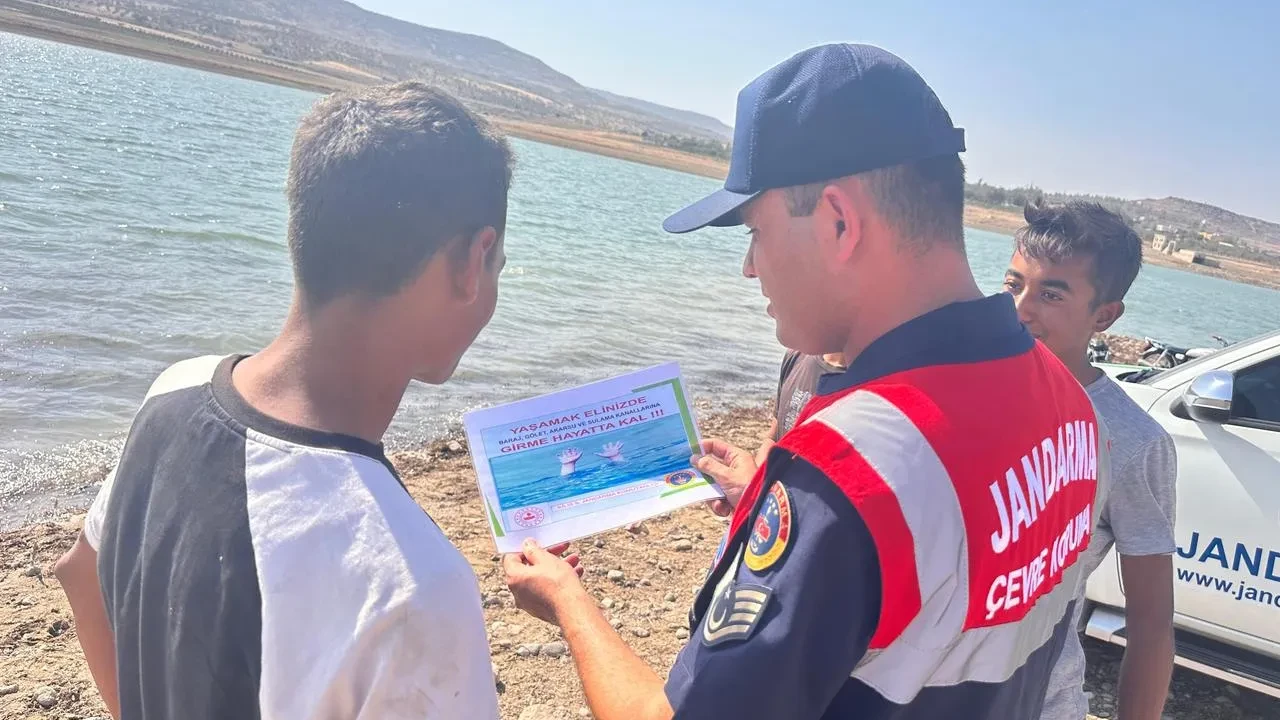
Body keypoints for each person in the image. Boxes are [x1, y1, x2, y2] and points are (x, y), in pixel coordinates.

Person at [503, 43, 1112, 720]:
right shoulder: (1071, 406)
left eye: (755, 231)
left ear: (838, 222)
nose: (749, 267)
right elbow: (939, 585)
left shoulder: (851, 470)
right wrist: (770, 507)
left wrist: (568, 603)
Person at [52, 82, 530, 719]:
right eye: (500, 267)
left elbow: (80, 573)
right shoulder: (413, 587)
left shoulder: (174, 390)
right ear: (474, 261)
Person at [1003, 201, 1176, 720]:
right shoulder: (958, 390)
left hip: (1036, 702)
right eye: (1014, 285)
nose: (1021, 309)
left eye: (1051, 294)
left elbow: (1150, 624)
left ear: (1104, 316)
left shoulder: (1132, 441)